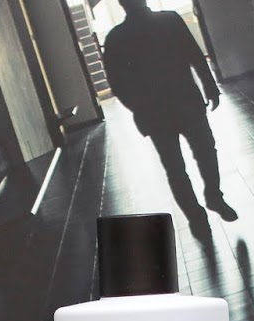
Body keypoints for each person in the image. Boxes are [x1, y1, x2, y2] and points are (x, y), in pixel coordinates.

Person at [102, 0, 238, 228]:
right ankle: (214, 196)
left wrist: (138, 108)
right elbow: (195, 55)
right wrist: (209, 85)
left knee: (174, 167)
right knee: (205, 151)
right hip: (186, 100)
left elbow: (117, 83)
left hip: (154, 112)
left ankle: (195, 215)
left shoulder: (116, 38)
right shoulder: (170, 20)